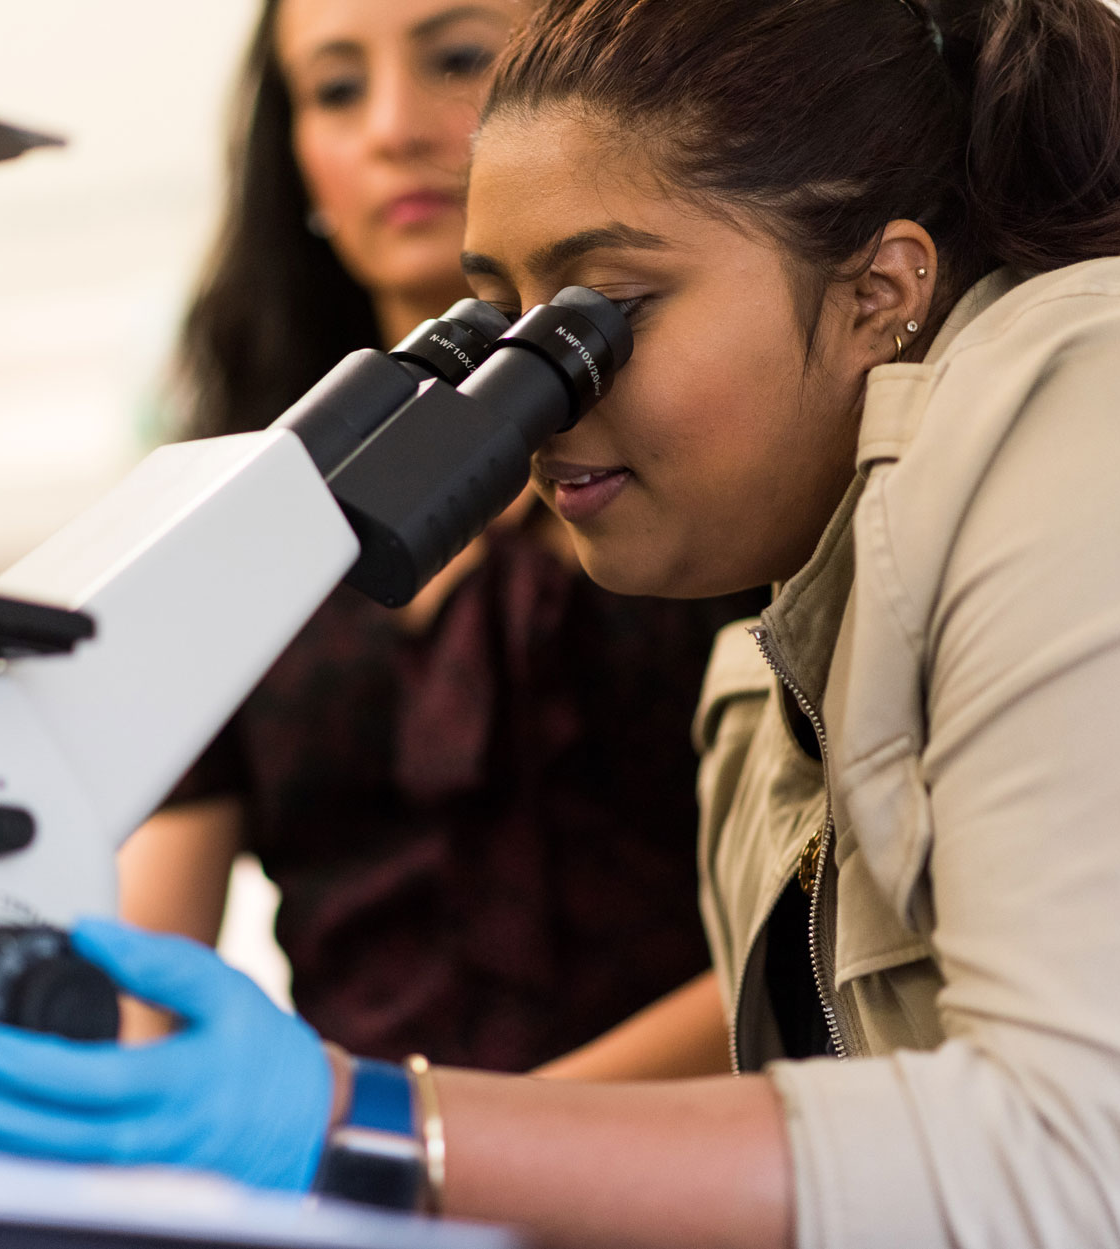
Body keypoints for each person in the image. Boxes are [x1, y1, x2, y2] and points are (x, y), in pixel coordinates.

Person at [0, 1, 1120, 1245]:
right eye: (492, 321)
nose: (536, 397)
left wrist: (365, 1125)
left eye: (599, 313)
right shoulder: (770, 665)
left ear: (883, 287)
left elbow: (1087, 1154)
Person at [117, 0, 763, 1076]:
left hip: (697, 1178)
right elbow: (147, 972)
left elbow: (821, 929)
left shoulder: (727, 466)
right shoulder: (243, 519)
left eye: (457, 59)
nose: (392, 127)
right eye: (334, 88)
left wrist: (453, 1152)